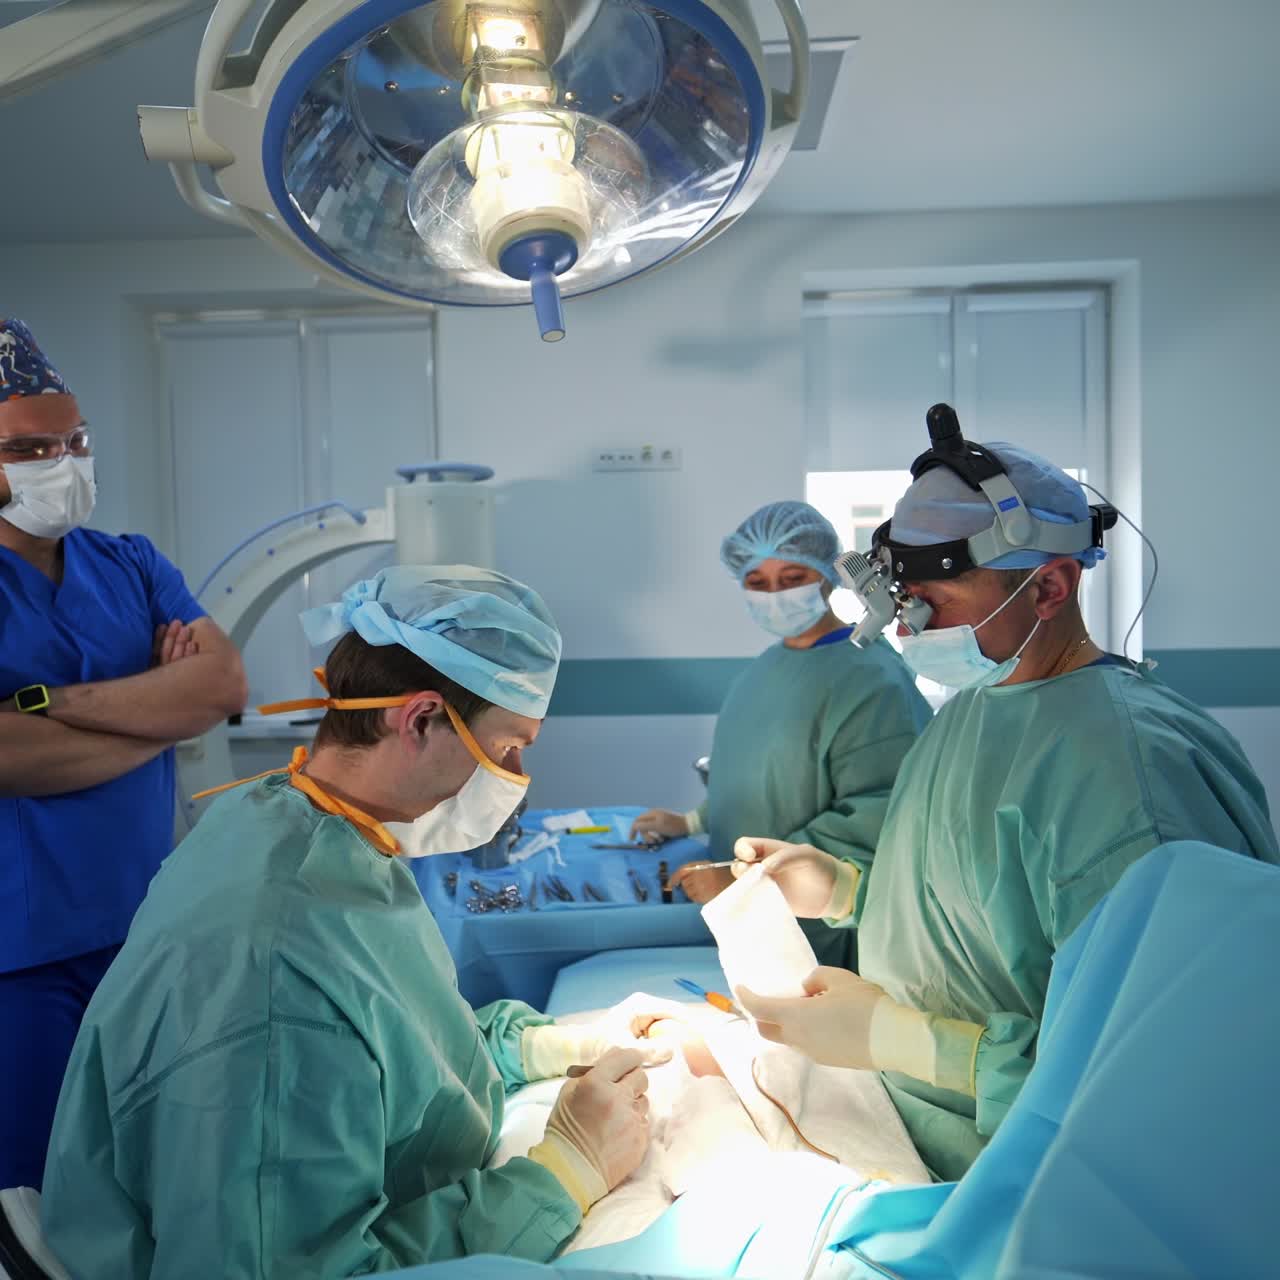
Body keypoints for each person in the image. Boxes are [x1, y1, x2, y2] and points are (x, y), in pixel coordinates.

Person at [43, 566, 671, 1278]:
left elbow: (398, 1043)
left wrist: (547, 1045)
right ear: (422, 718)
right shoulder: (274, 960)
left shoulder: (310, 825)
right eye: (507, 748)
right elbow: (284, 1267)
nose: (518, 776)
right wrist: (564, 1174)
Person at [732, 427, 1279, 1181]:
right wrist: (848, 891)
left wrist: (905, 1041)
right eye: (899, 599)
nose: (904, 627)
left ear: (1049, 587)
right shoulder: (982, 698)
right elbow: (989, 903)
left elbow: (1169, 1080)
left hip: (1039, 1178)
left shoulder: (1131, 773)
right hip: (919, 1129)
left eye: (932, 601)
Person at [0, 318, 247, 1192]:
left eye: (75, 441)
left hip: (145, 930)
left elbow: (220, 690)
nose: (61, 463)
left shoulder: (130, 563)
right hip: (19, 955)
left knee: (150, 1174)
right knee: (29, 1191)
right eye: (31, 448)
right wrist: (156, 712)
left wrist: (46, 707)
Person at [631, 501, 930, 968]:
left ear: (827, 577)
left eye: (792, 579)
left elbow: (878, 813)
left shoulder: (872, 680)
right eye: (758, 582)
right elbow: (761, 778)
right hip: (745, 913)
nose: (775, 594)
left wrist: (751, 880)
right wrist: (691, 822)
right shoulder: (768, 668)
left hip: (814, 930)